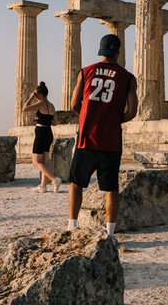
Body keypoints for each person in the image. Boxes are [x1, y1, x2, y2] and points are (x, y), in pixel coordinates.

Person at [68, 34, 138, 237]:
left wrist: (87, 119)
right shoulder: (128, 78)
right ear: (118, 52)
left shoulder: (86, 72)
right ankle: (110, 233)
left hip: (86, 139)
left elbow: (74, 104)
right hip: (111, 141)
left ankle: (72, 227)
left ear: (101, 51)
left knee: (77, 183)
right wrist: (113, 121)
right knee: (111, 189)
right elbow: (132, 112)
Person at [22, 82, 62, 193]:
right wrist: (38, 120)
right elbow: (54, 123)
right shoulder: (51, 105)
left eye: (36, 94)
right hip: (48, 132)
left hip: (41, 133)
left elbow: (25, 109)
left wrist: (30, 97)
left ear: (39, 94)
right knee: (45, 161)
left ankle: (55, 179)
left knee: (35, 162)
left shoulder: (41, 103)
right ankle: (43, 186)